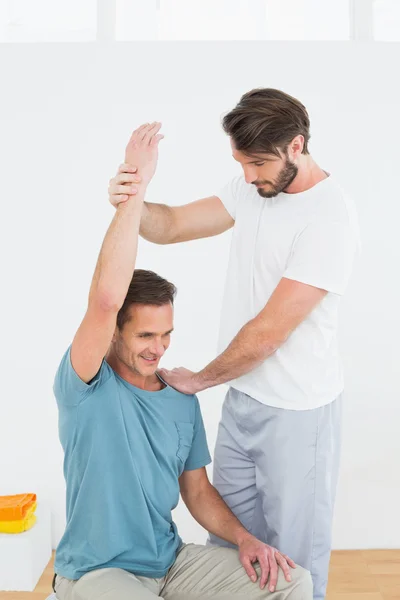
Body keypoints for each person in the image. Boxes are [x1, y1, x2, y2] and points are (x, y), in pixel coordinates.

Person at [108, 89, 360, 600]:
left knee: (293, 566)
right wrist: (133, 195)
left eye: (259, 163)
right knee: (231, 552)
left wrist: (198, 380)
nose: (248, 176)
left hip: (298, 415)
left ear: (296, 145)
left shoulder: (329, 219)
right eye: (241, 163)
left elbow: (269, 332)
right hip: (243, 401)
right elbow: (174, 224)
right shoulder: (256, 187)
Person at [52, 122, 312, 600]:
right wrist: (135, 191)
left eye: (166, 334)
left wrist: (245, 539)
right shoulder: (85, 385)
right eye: (145, 335)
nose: (158, 348)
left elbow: (197, 491)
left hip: (170, 563)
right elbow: (107, 298)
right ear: (113, 333)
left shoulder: (179, 397)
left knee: (293, 581)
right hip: (96, 573)